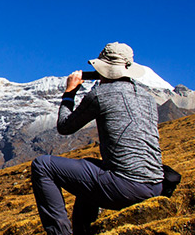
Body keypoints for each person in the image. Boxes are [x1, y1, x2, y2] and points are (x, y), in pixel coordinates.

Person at [30, 42, 164, 235]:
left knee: (42, 165)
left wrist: (69, 93)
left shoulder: (100, 95)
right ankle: (83, 230)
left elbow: (65, 127)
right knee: (91, 166)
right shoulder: (148, 98)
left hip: (125, 187)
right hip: (155, 185)